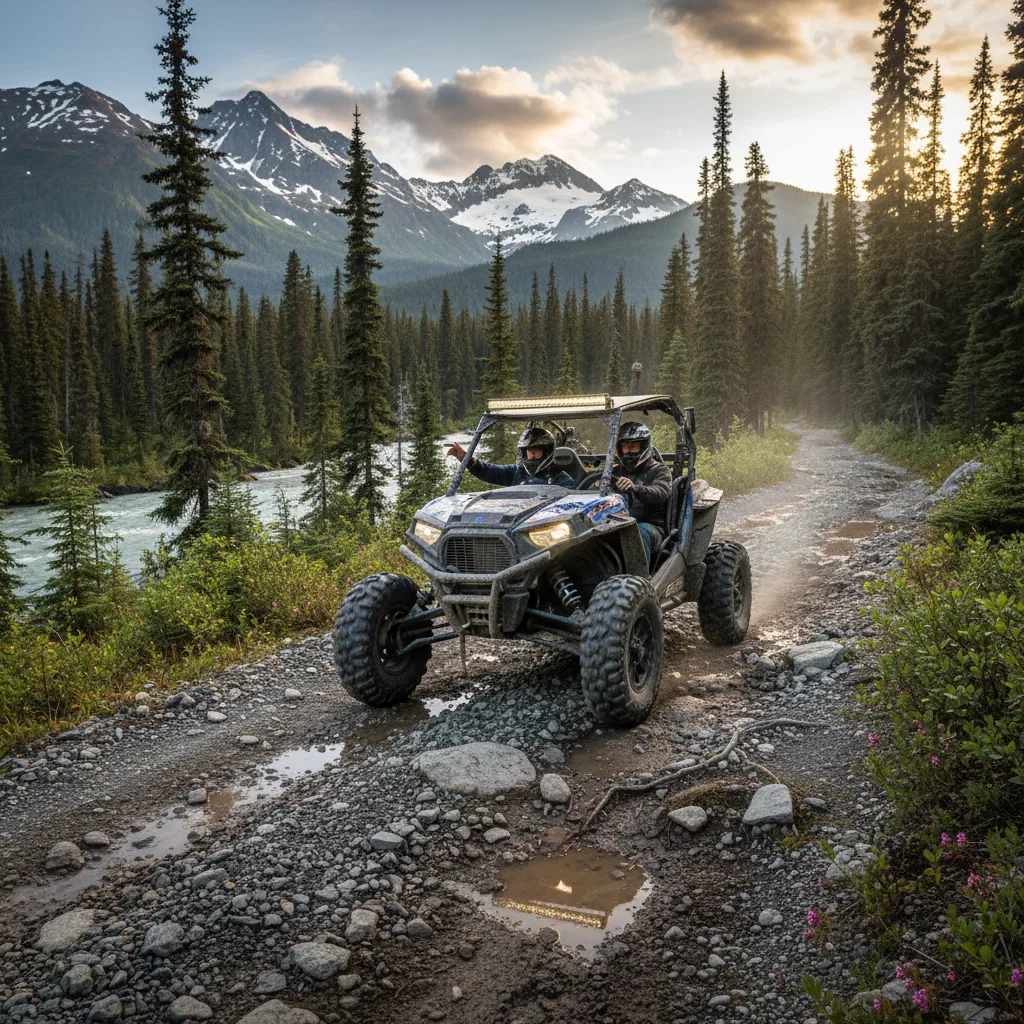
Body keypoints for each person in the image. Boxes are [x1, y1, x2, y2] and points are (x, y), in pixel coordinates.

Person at [613, 420, 671, 565]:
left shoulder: (659, 470)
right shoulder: (615, 472)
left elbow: (661, 492)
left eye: (633, 446)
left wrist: (636, 488)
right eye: (625, 447)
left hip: (650, 526)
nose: (628, 451)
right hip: (615, 524)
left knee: (636, 533)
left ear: (644, 446)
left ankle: (638, 575)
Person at [445, 425, 575, 488]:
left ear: (547, 452)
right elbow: (490, 472)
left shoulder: (561, 480)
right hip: (516, 524)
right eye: (528, 451)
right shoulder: (517, 472)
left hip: (544, 527)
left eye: (536, 450)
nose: (531, 455)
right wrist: (467, 460)